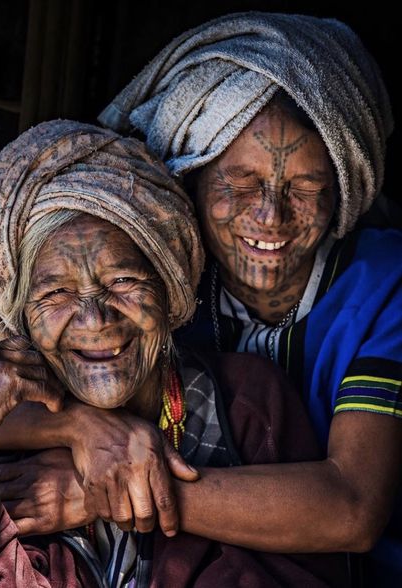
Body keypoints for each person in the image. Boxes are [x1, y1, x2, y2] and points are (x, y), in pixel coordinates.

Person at [0, 120, 348, 587]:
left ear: (169, 292)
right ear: (22, 317)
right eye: (56, 293)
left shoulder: (245, 402)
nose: (95, 319)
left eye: (123, 282)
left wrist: (111, 494)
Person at [98, 11, 402, 583]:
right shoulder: (148, 279)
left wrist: (109, 492)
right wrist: (83, 434)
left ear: (342, 191)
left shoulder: (387, 283)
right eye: (239, 184)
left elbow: (354, 510)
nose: (270, 216)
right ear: (189, 178)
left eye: (305, 187)